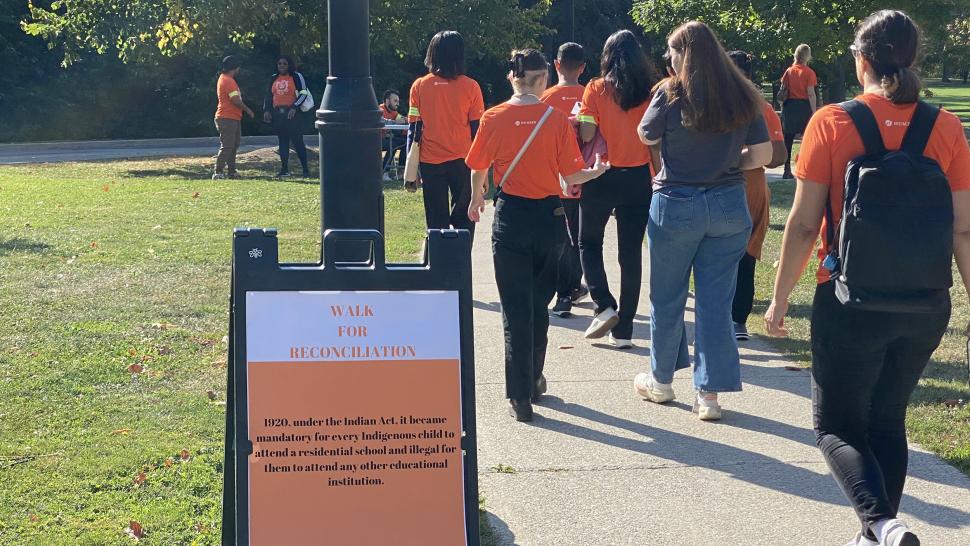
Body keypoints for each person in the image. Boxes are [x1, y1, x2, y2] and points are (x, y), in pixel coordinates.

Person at [764, 10, 970, 546]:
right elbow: (965, 231)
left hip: (850, 299)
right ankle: (879, 531)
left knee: (834, 426)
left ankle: (880, 523)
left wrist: (780, 301)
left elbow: (806, 223)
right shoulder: (946, 127)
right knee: (887, 419)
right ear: (913, 59)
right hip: (925, 304)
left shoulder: (831, 122)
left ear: (862, 60)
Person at [636, 21, 772, 420]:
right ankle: (709, 394)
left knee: (667, 296)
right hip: (729, 204)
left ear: (685, 54)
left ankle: (661, 380)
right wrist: (731, 162)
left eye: (672, 52)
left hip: (675, 202)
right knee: (716, 302)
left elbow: (646, 134)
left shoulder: (670, 92)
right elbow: (763, 154)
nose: (669, 59)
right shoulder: (743, 93)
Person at [466, 49, 610, 422]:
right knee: (538, 305)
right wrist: (594, 172)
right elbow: (572, 176)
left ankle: (520, 396)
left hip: (511, 216)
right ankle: (533, 377)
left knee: (514, 309)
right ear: (543, 78)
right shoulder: (557, 120)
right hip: (549, 217)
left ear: (512, 77)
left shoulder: (493, 117)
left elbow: (479, 167)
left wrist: (476, 199)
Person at [576, 30, 658, 348]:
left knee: (588, 242)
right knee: (630, 254)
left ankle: (604, 304)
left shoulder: (596, 89)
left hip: (602, 175)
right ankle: (624, 330)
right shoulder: (649, 93)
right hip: (638, 177)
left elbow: (586, 134)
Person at [727, 50, 787, 341]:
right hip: (751, 182)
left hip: (722, 181)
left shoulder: (716, 103)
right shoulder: (761, 106)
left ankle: (726, 316)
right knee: (747, 251)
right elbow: (778, 156)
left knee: (719, 251)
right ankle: (738, 319)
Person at [408, 31, 485, 239]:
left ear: (432, 54)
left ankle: (438, 265)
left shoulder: (419, 86)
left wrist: (411, 167)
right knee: (465, 217)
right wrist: (482, 170)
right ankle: (460, 261)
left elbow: (414, 129)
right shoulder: (472, 86)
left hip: (430, 162)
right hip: (464, 161)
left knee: (435, 220)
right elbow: (477, 131)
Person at [541, 42, 589, 318]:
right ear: (582, 68)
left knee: (562, 235)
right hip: (586, 174)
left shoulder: (545, 98)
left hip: (557, 176)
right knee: (582, 238)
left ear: (556, 65)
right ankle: (573, 285)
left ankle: (564, 293)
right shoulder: (590, 95)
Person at [262, 56, 311, 178]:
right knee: (283, 141)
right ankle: (284, 170)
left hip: (293, 113)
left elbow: (303, 93)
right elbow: (268, 95)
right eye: (279, 64)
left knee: (298, 141)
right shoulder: (274, 78)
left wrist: (295, 107)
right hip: (278, 114)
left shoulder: (296, 76)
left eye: (284, 64)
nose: (282, 66)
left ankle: (305, 170)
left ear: (289, 65)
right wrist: (267, 110)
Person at [779, 43, 818, 179]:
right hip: (804, 107)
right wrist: (814, 112)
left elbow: (782, 90)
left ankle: (786, 169)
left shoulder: (789, 71)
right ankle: (805, 168)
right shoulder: (809, 73)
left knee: (788, 140)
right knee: (807, 139)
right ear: (807, 56)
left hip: (790, 106)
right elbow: (811, 94)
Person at [213, 56, 254, 180]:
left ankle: (232, 171)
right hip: (227, 117)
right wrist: (247, 109)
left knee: (233, 145)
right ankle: (218, 171)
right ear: (235, 67)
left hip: (233, 117)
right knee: (227, 146)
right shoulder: (228, 80)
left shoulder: (225, 78)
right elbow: (235, 100)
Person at [380, 89, 407, 181]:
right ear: (387, 101)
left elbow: (403, 120)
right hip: (374, 141)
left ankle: (401, 172)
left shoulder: (394, 113)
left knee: (406, 141)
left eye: (398, 101)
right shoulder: (379, 110)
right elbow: (383, 121)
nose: (398, 104)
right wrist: (397, 122)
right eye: (395, 101)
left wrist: (408, 121)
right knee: (394, 144)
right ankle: (384, 172)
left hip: (385, 140)